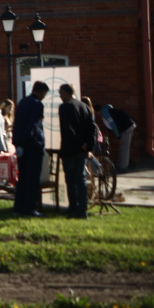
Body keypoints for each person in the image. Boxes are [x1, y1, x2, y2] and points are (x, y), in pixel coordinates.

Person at [59, 84, 99, 219]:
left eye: (61, 93)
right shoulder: (85, 107)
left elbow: (67, 128)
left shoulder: (65, 107)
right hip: (82, 150)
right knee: (80, 180)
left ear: (65, 93)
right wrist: (88, 145)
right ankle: (82, 209)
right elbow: (93, 128)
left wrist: (78, 143)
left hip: (70, 149)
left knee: (71, 180)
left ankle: (74, 208)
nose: (60, 96)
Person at [13, 81, 49, 217]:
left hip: (21, 144)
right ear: (41, 92)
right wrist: (30, 138)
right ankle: (30, 208)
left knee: (22, 177)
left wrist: (19, 142)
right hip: (33, 145)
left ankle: (19, 207)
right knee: (33, 179)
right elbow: (33, 125)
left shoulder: (23, 102)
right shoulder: (37, 104)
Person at [96, 103, 136, 173]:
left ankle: (123, 167)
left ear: (97, 111)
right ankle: (122, 164)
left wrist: (119, 137)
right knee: (123, 147)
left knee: (124, 147)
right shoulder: (108, 110)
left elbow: (113, 125)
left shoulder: (105, 113)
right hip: (128, 125)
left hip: (126, 127)